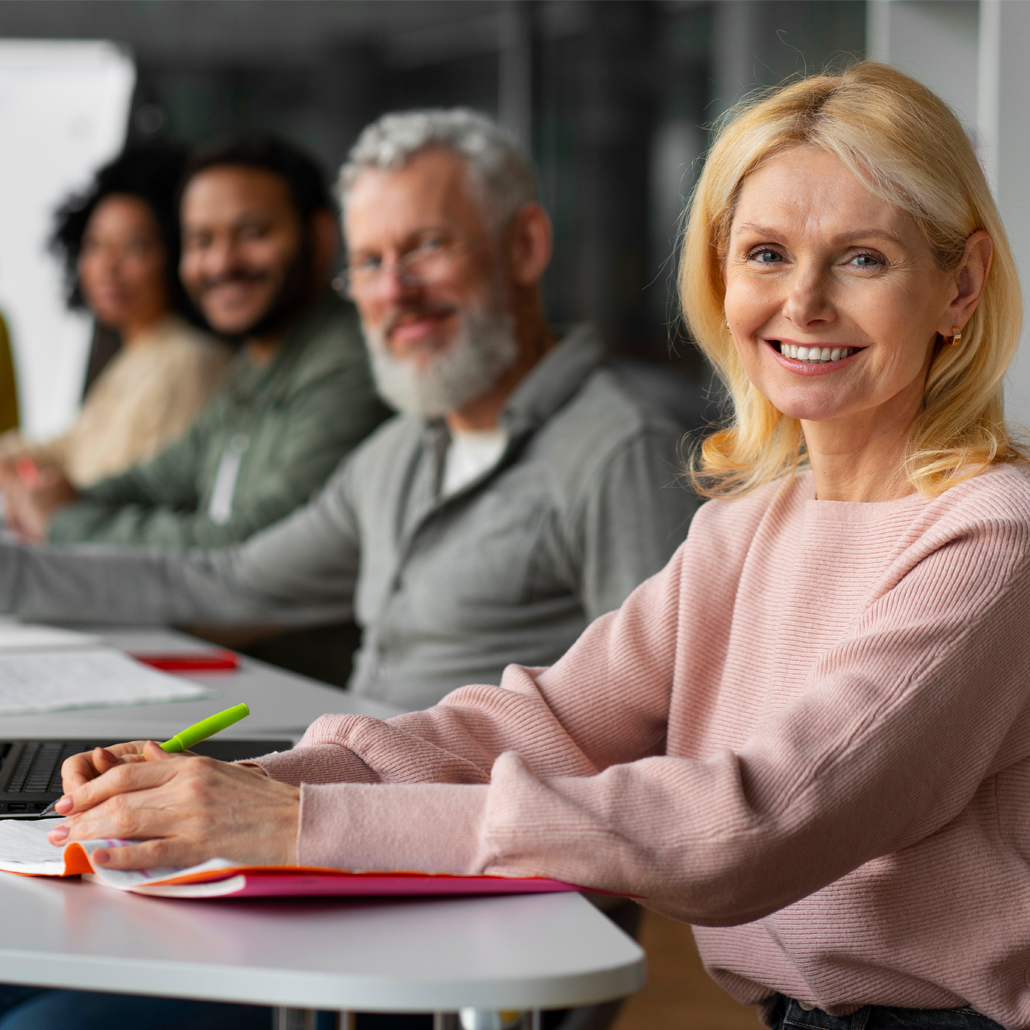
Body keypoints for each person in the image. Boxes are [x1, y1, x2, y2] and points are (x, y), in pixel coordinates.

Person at [13, 62, 1030, 1030]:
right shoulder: (750, 525)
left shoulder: (991, 537)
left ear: (959, 285)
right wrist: (258, 783)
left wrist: (290, 826)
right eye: (765, 253)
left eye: (863, 257)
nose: (801, 302)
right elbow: (535, 722)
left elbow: (754, 824)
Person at [0, 109, 698, 711]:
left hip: (465, 852)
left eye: (428, 245)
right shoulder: (402, 453)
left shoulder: (621, 452)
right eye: (369, 262)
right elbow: (227, 583)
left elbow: (659, 737)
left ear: (525, 247)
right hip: (354, 804)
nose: (394, 289)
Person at [0, 135, 390, 548]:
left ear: (322, 234)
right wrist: (61, 501)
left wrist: (66, 521)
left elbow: (256, 545)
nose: (222, 262)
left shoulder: (346, 364)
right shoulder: (255, 366)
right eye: (201, 241)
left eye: (253, 233)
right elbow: (156, 480)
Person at [0, 146, 230, 490]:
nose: (108, 266)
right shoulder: (138, 355)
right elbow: (71, 446)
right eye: (95, 245)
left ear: (179, 252)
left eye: (134, 247)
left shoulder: (187, 361)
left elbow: (145, 497)